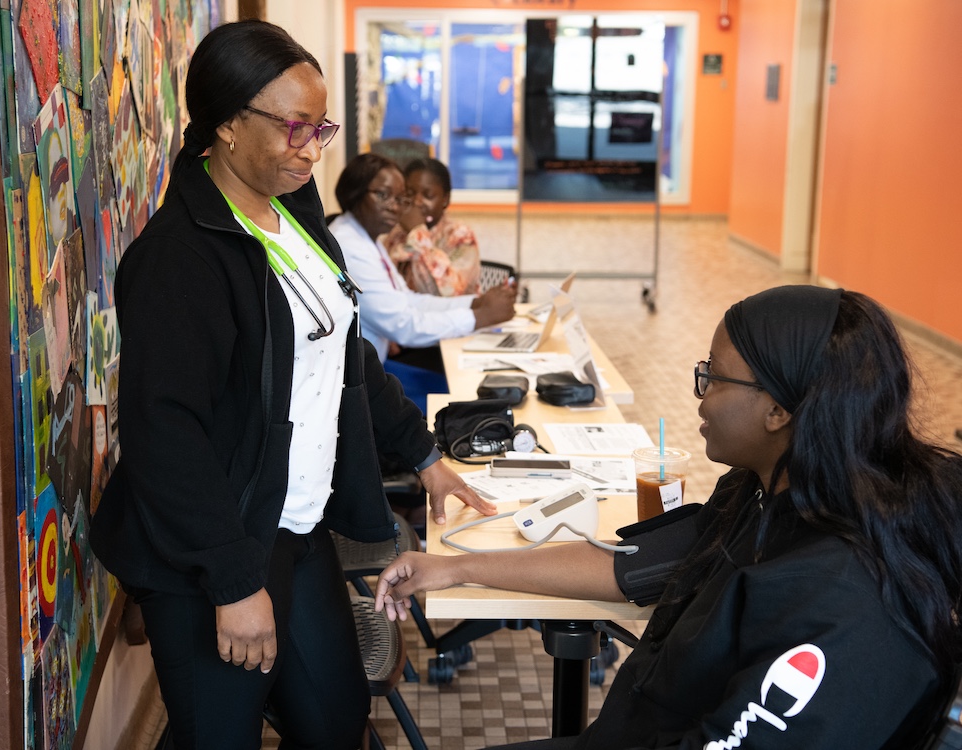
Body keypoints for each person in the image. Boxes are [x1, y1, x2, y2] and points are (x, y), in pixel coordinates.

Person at [88, 21, 495, 750]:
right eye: (294, 128)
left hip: (295, 527)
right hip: (211, 550)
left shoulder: (293, 212)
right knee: (220, 735)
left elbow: (343, 353)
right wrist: (233, 583)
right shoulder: (179, 259)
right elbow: (165, 432)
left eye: (321, 128)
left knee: (335, 720)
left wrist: (424, 455)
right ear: (226, 124)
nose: (312, 150)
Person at [376, 285, 962, 749]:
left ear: (779, 410)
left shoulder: (840, 598)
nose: (699, 395)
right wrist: (456, 568)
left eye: (713, 377)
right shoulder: (762, 490)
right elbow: (630, 565)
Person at [328, 153, 516, 407]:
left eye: (399, 198)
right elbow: (403, 323)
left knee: (474, 387)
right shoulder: (350, 245)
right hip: (364, 378)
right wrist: (478, 316)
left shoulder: (368, 238)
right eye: (384, 195)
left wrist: (474, 304)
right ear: (355, 192)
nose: (396, 207)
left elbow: (408, 300)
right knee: (468, 397)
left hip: (386, 356)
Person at [383, 157, 481, 297]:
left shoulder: (460, 235)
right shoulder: (397, 234)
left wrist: (418, 233)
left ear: (445, 199)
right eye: (409, 194)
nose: (417, 202)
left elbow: (452, 292)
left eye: (428, 195)